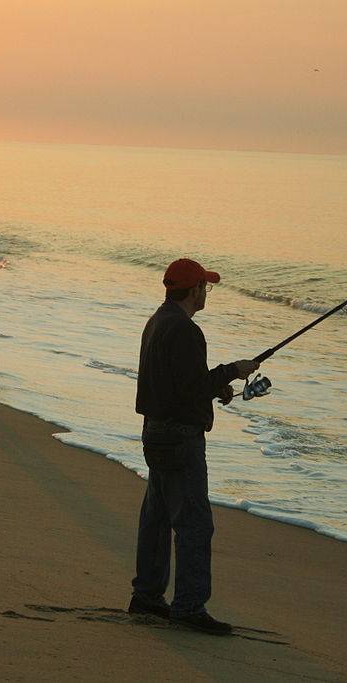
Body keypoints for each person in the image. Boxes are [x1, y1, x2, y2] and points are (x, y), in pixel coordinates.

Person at [129, 258, 260, 635]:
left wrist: (216, 385)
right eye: (206, 287)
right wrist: (231, 371)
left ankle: (148, 596)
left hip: (154, 431)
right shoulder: (186, 330)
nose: (207, 293)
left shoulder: (158, 320)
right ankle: (188, 607)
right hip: (179, 437)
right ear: (194, 290)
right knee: (194, 524)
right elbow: (189, 389)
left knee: (156, 518)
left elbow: (177, 380)